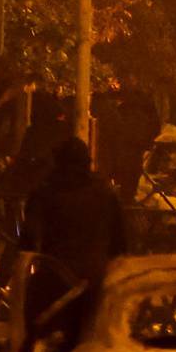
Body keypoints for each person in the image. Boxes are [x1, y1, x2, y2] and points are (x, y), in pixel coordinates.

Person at [20, 136, 128, 340]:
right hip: (97, 279)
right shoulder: (105, 193)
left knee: (36, 333)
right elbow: (120, 241)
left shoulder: (45, 192)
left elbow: (28, 239)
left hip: (55, 277)